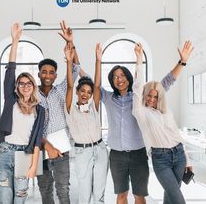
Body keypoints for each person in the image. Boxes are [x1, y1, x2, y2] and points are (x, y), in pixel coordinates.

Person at [101, 44, 191, 204]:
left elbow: (165, 83)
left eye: (122, 75)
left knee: (168, 196)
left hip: (162, 153)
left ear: (129, 77)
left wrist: (182, 63)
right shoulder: (136, 104)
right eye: (115, 76)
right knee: (174, 197)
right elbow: (137, 83)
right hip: (129, 154)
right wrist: (139, 60)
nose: (119, 79)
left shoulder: (146, 99)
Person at [132, 41, 193, 204]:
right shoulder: (140, 112)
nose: (151, 99)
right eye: (148, 96)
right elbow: (138, 87)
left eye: (155, 96)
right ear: (144, 95)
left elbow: (176, 135)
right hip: (161, 158)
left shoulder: (165, 111)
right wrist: (138, 60)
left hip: (179, 155)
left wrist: (187, 159)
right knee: (179, 200)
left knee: (171, 197)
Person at [0, 23, 45, 204]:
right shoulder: (11, 100)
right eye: (21, 83)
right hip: (5, 152)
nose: (24, 86)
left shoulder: (40, 110)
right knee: (4, 198)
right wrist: (15, 41)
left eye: (28, 83)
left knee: (20, 199)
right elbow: (10, 70)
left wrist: (33, 164)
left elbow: (38, 140)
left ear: (33, 86)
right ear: (17, 86)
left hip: (24, 154)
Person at [37, 20, 80, 204]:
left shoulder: (62, 90)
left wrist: (71, 43)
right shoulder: (31, 93)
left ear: (55, 75)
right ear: (38, 73)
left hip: (61, 146)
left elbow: (75, 68)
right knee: (45, 189)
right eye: (44, 72)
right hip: (40, 146)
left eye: (51, 72)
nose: (47, 75)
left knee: (63, 188)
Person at [64, 42, 109, 204]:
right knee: (84, 195)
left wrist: (98, 60)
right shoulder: (70, 109)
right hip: (82, 154)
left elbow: (97, 86)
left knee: (99, 195)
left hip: (101, 149)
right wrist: (69, 62)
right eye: (82, 91)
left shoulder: (94, 107)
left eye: (88, 92)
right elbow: (69, 85)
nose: (85, 94)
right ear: (77, 92)